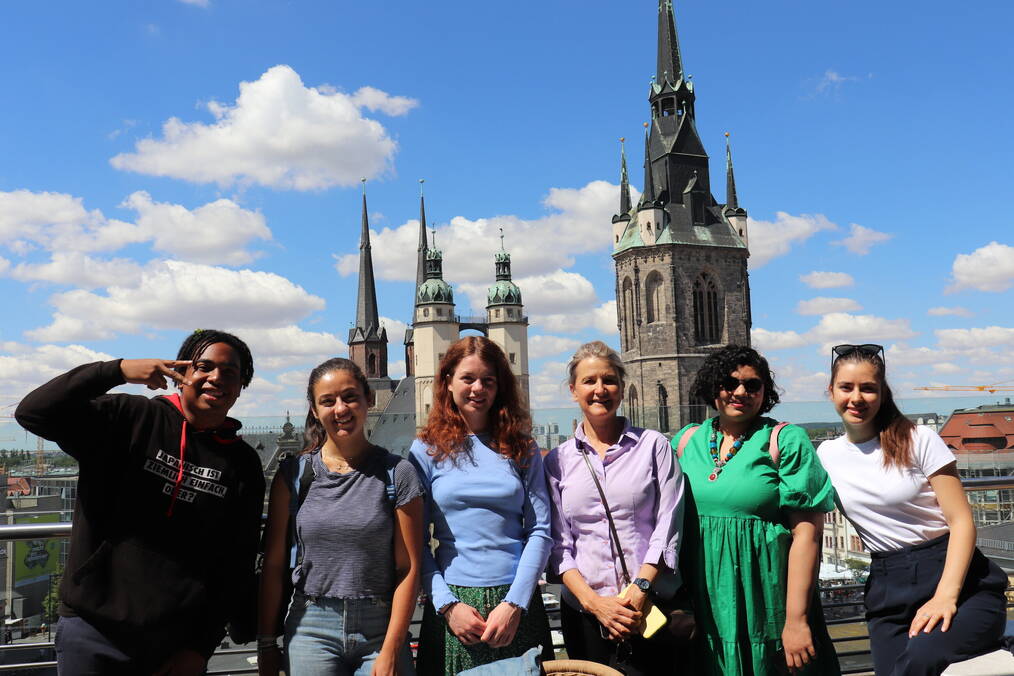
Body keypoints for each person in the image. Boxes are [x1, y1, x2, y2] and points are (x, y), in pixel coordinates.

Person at [15, 329, 265, 675]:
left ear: (240, 387)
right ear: (181, 373)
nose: (215, 377)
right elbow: (33, 413)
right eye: (203, 366)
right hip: (93, 632)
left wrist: (199, 647)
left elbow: (235, 562)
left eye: (230, 372)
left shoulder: (243, 464)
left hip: (175, 647)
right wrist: (117, 371)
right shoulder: (128, 419)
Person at [818, 344, 1006, 675]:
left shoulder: (918, 439)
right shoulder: (826, 455)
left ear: (882, 392)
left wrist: (945, 597)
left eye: (868, 388)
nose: (857, 398)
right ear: (831, 391)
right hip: (889, 588)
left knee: (919, 659)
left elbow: (961, 522)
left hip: (959, 582)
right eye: (847, 387)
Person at [673, 344, 840, 676]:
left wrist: (796, 620)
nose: (740, 392)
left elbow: (807, 534)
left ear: (765, 392)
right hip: (705, 599)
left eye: (752, 385)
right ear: (711, 387)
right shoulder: (686, 440)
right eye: (729, 382)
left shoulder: (786, 440)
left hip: (767, 599)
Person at [257, 357, 423, 676]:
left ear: (368, 399)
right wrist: (266, 643)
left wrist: (391, 650)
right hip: (310, 624)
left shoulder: (397, 473)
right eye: (327, 401)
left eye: (349, 397)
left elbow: (408, 567)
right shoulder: (293, 476)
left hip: (381, 626)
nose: (340, 409)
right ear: (314, 409)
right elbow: (274, 564)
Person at [409, 336, 554, 675]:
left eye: (488, 380)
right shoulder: (426, 450)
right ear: (447, 382)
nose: (478, 388)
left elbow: (540, 531)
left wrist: (515, 603)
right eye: (468, 378)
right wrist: (447, 606)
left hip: (516, 603)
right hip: (455, 606)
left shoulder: (522, 447)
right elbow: (415, 539)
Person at [544, 341, 684, 675]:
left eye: (609, 380)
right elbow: (559, 545)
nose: (599, 389)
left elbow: (669, 525)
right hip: (585, 614)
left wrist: (639, 591)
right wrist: (596, 605)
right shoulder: (557, 460)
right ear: (573, 390)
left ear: (622, 389)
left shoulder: (654, 446)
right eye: (589, 381)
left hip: (649, 609)